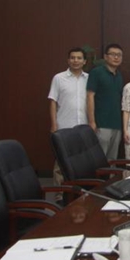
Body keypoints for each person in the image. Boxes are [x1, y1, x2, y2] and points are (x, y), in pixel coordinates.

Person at [48, 47, 88, 196]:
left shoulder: (89, 79)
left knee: (81, 162)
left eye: (79, 58)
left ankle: (78, 194)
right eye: (72, 57)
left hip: (83, 127)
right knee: (60, 164)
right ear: (68, 60)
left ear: (84, 61)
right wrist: (54, 124)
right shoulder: (59, 78)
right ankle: (59, 194)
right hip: (63, 126)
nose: (75, 60)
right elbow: (53, 101)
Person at [87, 43, 124, 160]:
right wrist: (92, 122)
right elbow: (90, 96)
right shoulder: (96, 72)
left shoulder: (119, 76)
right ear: (105, 57)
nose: (116, 57)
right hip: (101, 124)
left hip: (116, 124)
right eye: (113, 54)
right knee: (100, 160)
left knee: (112, 160)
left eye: (119, 55)